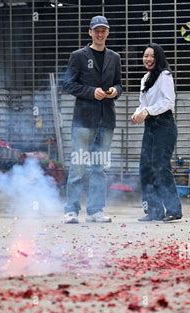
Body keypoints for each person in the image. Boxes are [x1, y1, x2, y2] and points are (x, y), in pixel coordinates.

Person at [62, 16, 123, 224]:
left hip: (106, 121)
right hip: (83, 121)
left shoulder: (114, 57)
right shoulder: (78, 56)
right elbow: (68, 84)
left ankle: (96, 211)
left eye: (103, 30)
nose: (100, 34)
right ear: (90, 32)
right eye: (96, 30)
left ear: (108, 32)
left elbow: (120, 84)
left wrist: (115, 91)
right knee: (78, 166)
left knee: (100, 167)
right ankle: (71, 210)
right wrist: (91, 92)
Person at [131, 43, 182, 222]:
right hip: (150, 126)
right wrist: (138, 112)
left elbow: (168, 101)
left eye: (152, 56)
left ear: (158, 57)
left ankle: (174, 210)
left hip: (164, 126)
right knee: (145, 167)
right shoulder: (145, 78)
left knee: (160, 166)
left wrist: (148, 111)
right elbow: (142, 103)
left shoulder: (165, 75)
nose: (148, 59)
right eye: (146, 56)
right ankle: (154, 210)